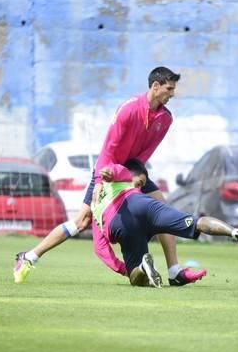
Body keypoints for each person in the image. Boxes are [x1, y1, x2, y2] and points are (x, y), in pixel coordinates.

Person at [13, 67, 206, 285]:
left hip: (132, 171)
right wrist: (101, 182)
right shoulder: (128, 109)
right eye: (169, 89)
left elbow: (145, 152)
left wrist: (136, 176)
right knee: (82, 221)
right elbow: (109, 148)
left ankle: (174, 272)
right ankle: (29, 257)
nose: (172, 94)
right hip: (108, 170)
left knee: (164, 210)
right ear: (155, 86)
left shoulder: (166, 119)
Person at [28, 159, 238, 286]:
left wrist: (124, 269)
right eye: (139, 181)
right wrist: (109, 173)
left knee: (136, 275)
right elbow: (115, 170)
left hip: (119, 224)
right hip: (142, 208)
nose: (139, 185)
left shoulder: (97, 205)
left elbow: (100, 249)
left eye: (142, 184)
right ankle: (235, 232)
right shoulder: (121, 176)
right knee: (194, 222)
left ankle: (143, 268)